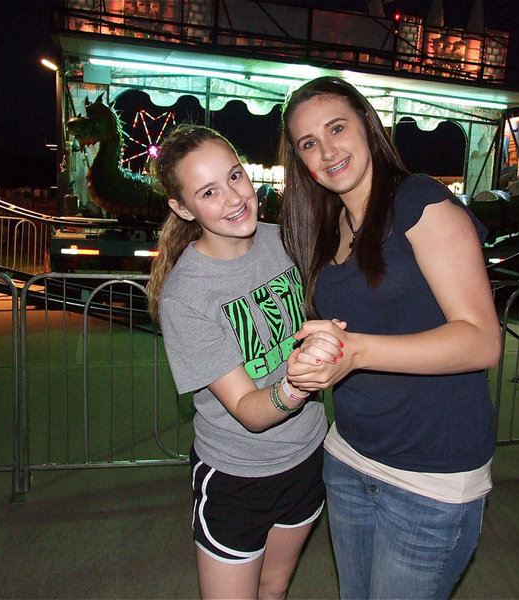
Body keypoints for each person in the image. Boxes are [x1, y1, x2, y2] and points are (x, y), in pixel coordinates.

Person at [279, 77, 503, 599]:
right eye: (308, 143)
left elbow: (481, 340)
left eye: (337, 129)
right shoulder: (326, 225)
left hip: (431, 478)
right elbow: (352, 328)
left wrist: (357, 352)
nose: (327, 150)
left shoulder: (419, 200)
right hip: (350, 459)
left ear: (367, 126)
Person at [145, 125, 342, 600]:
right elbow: (251, 412)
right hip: (237, 477)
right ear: (182, 208)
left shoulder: (286, 242)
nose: (234, 198)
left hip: (307, 457)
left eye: (235, 177)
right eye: (209, 192)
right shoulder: (186, 295)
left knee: (274, 589)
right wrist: (299, 382)